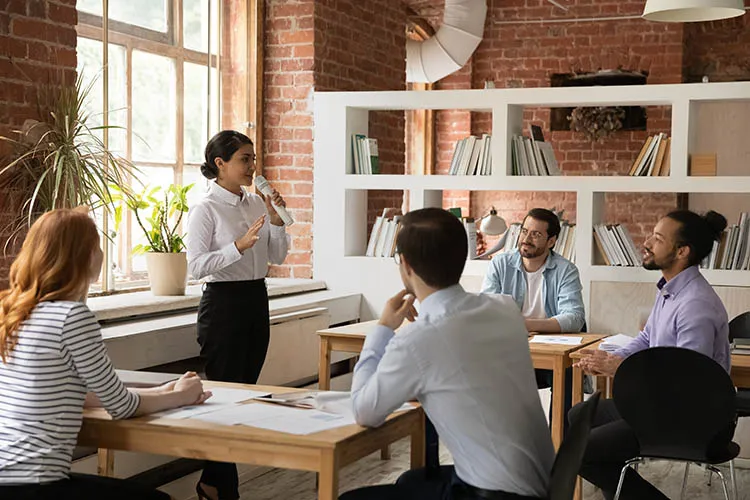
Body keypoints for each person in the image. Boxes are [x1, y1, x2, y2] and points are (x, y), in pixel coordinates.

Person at [340, 208, 554, 500]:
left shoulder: (420, 337)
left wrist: (383, 328)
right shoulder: (504, 309)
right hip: (539, 482)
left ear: (405, 266)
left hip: (495, 494)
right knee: (409, 481)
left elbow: (364, 411)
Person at [0, 208, 210, 500]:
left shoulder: (11, 312)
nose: (101, 253)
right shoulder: (72, 316)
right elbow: (121, 407)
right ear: (83, 256)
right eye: (97, 245)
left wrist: (163, 389)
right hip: (35, 483)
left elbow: (79, 395)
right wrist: (181, 396)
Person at [571, 209, 730, 500]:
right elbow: (646, 339)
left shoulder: (695, 304)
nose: (646, 243)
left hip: (690, 418)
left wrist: (620, 368)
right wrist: (609, 358)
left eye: (657, 239)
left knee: (581, 450)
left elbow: (689, 377)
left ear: (682, 251)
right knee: (578, 417)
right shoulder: (670, 290)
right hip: (661, 406)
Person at [186, 130, 290, 500]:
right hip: (223, 305)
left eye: (253, 158)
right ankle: (222, 487)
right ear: (220, 164)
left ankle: (214, 482)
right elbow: (196, 267)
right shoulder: (205, 209)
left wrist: (276, 219)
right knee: (225, 397)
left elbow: (276, 257)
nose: (252, 166)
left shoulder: (255, 204)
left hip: (255, 300)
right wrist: (237, 246)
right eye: (244, 159)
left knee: (244, 397)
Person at [480, 207, 585, 429]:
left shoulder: (566, 270)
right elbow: (489, 311)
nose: (526, 239)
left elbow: (574, 318)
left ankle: (559, 447)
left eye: (536, 234)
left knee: (568, 375)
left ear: (551, 241)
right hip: (511, 352)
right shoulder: (500, 264)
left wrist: (524, 324)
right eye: (524, 231)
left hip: (551, 354)